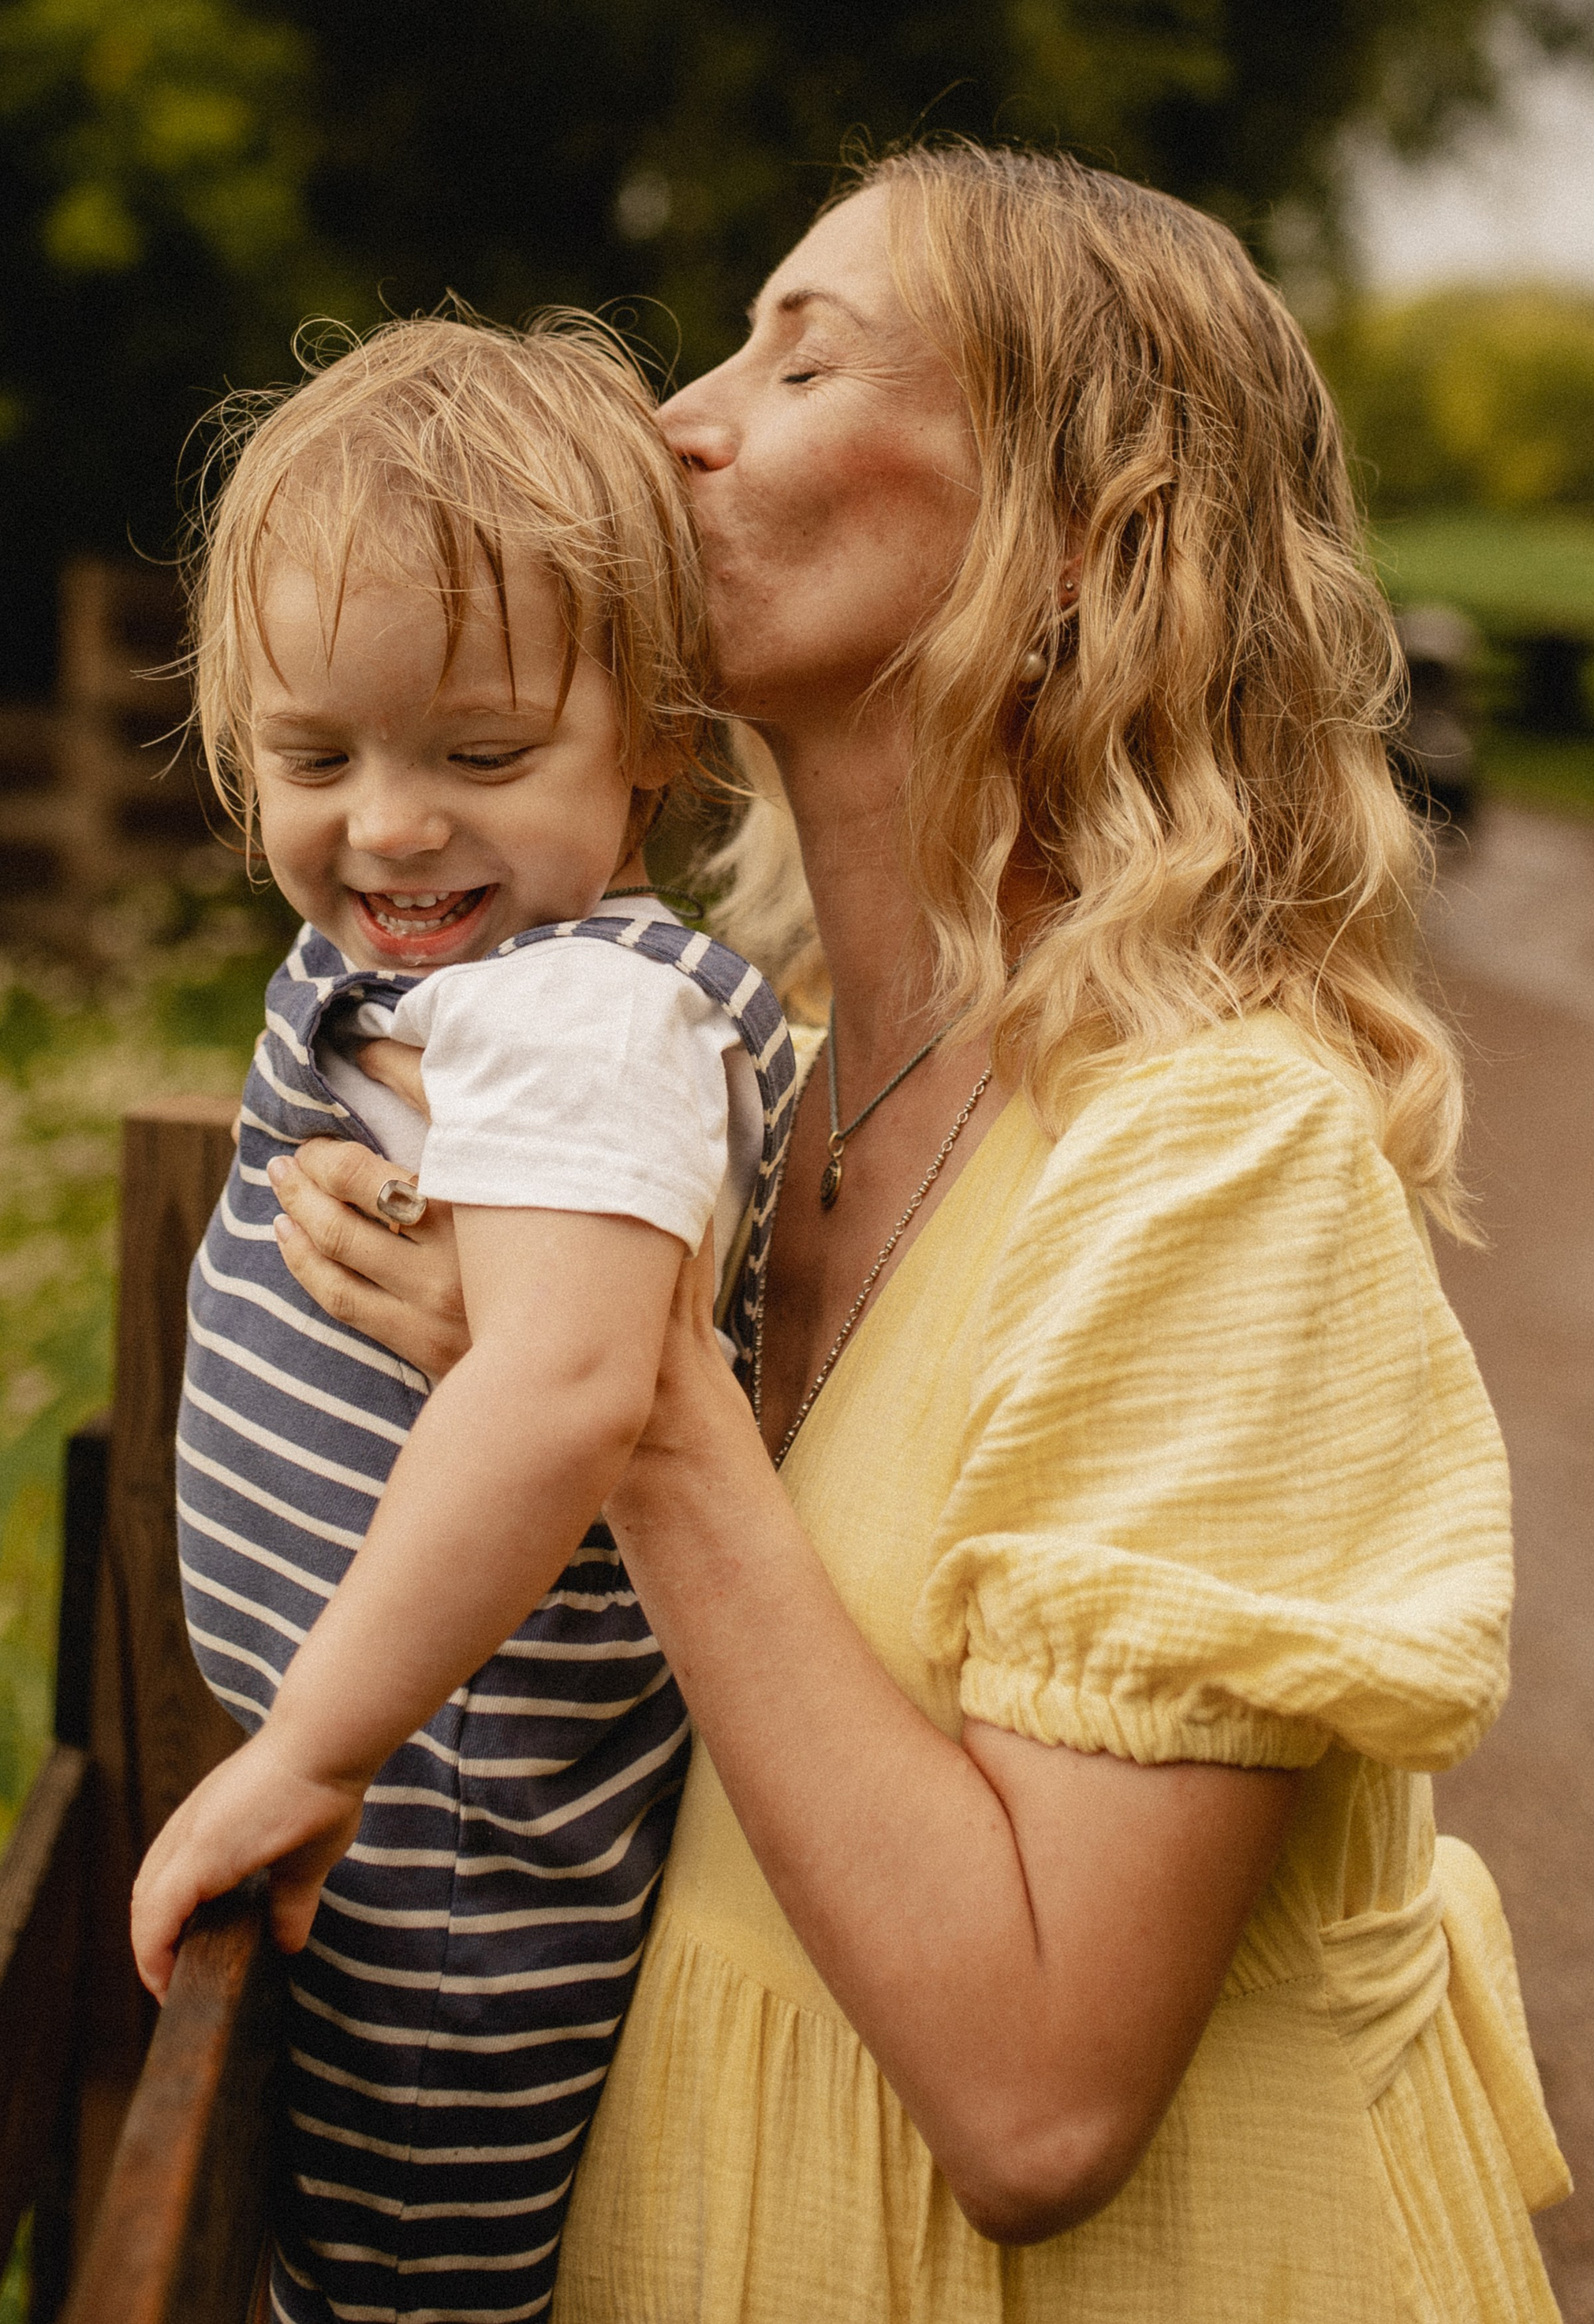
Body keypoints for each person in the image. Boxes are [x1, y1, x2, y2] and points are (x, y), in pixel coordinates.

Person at [263, 145, 1573, 2321]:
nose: (676, 417)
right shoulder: (747, 1072)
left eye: (804, 356)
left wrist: (635, 1413)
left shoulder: (1215, 1155)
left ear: (1084, 539)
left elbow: (1040, 2100)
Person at [129, 315, 799, 2324]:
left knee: (395, 2294)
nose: (393, 827)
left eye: (482, 757)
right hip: (399, 1815)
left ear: (652, 738)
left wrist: (311, 1752)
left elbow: (572, 1378)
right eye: (312, 758)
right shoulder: (450, 970)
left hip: (450, 1872)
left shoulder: (580, 1006)